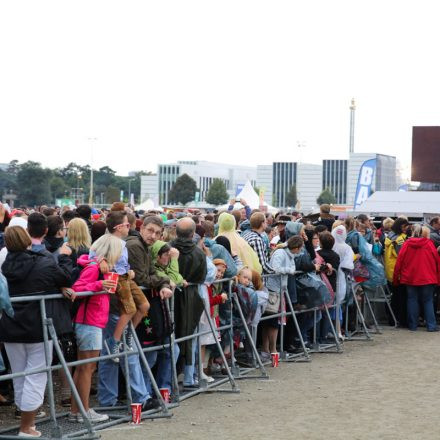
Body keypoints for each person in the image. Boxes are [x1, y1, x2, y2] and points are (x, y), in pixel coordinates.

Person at [0, 226, 72, 437]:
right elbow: (65, 278)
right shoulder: (43, 262)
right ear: (28, 241)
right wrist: (65, 258)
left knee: (20, 376)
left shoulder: (4, 266)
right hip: (37, 326)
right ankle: (26, 426)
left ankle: (26, 424)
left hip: (11, 327)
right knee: (36, 375)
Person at [69, 234, 121, 423]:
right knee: (87, 368)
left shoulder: (96, 266)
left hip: (91, 321)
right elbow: (77, 288)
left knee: (84, 368)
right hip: (89, 322)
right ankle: (84, 411)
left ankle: (77, 411)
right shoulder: (93, 268)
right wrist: (99, 284)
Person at [125, 216, 176, 404]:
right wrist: (163, 281)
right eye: (150, 231)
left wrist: (162, 281)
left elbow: (151, 273)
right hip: (131, 309)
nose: (153, 235)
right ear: (142, 228)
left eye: (157, 233)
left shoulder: (144, 247)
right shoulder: (135, 246)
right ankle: (132, 398)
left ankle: (145, 395)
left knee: (150, 354)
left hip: (141, 308)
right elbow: (142, 278)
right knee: (131, 355)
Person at [101, 211, 149, 361]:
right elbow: (93, 255)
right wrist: (101, 261)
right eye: (127, 225)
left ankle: (128, 334)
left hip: (126, 276)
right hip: (117, 278)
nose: (130, 227)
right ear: (119, 227)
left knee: (144, 306)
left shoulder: (123, 242)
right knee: (129, 309)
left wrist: (128, 270)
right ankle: (114, 341)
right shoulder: (107, 241)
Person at [171, 217, 207, 387]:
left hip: (172, 295)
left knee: (174, 334)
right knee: (189, 336)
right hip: (190, 296)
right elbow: (201, 277)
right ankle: (187, 377)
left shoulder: (168, 248)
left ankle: (173, 377)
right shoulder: (199, 253)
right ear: (193, 233)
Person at [393, 225, 440, 332]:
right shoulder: (429, 244)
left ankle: (413, 326)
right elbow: (437, 261)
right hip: (428, 277)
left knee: (412, 300)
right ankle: (431, 326)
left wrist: (396, 279)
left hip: (410, 277)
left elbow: (399, 262)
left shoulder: (406, 244)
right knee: (428, 301)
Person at [264, 236, 301, 356]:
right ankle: (270, 350)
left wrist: (289, 269)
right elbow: (275, 268)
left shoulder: (290, 255)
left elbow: (293, 267)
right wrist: (288, 270)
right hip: (273, 290)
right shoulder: (281, 253)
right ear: (296, 248)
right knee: (271, 321)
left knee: (274, 321)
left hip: (281, 290)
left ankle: (270, 350)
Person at [384, 216, 410, 327]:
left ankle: (392, 319)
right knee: (401, 297)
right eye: (405, 226)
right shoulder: (400, 240)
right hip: (398, 272)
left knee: (394, 297)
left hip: (390, 270)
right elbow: (402, 256)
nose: (406, 229)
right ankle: (401, 320)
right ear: (400, 226)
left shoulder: (389, 237)